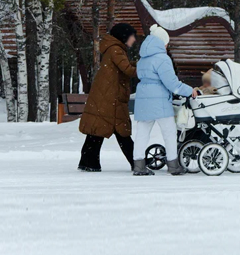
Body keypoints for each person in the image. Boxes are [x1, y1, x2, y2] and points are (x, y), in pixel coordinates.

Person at [132, 24, 198, 176]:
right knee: (169, 132)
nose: (167, 45)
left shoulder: (142, 59)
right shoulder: (163, 59)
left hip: (143, 100)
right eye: (166, 42)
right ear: (161, 42)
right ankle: (173, 165)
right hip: (159, 100)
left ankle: (139, 165)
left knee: (142, 133)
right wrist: (190, 91)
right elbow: (172, 84)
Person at [77, 23, 138, 172]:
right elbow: (128, 70)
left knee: (97, 131)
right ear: (124, 37)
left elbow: (126, 67)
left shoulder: (114, 49)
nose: (134, 40)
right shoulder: (116, 50)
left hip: (106, 97)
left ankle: (88, 162)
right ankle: (137, 162)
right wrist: (147, 67)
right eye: (132, 36)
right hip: (109, 98)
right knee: (120, 132)